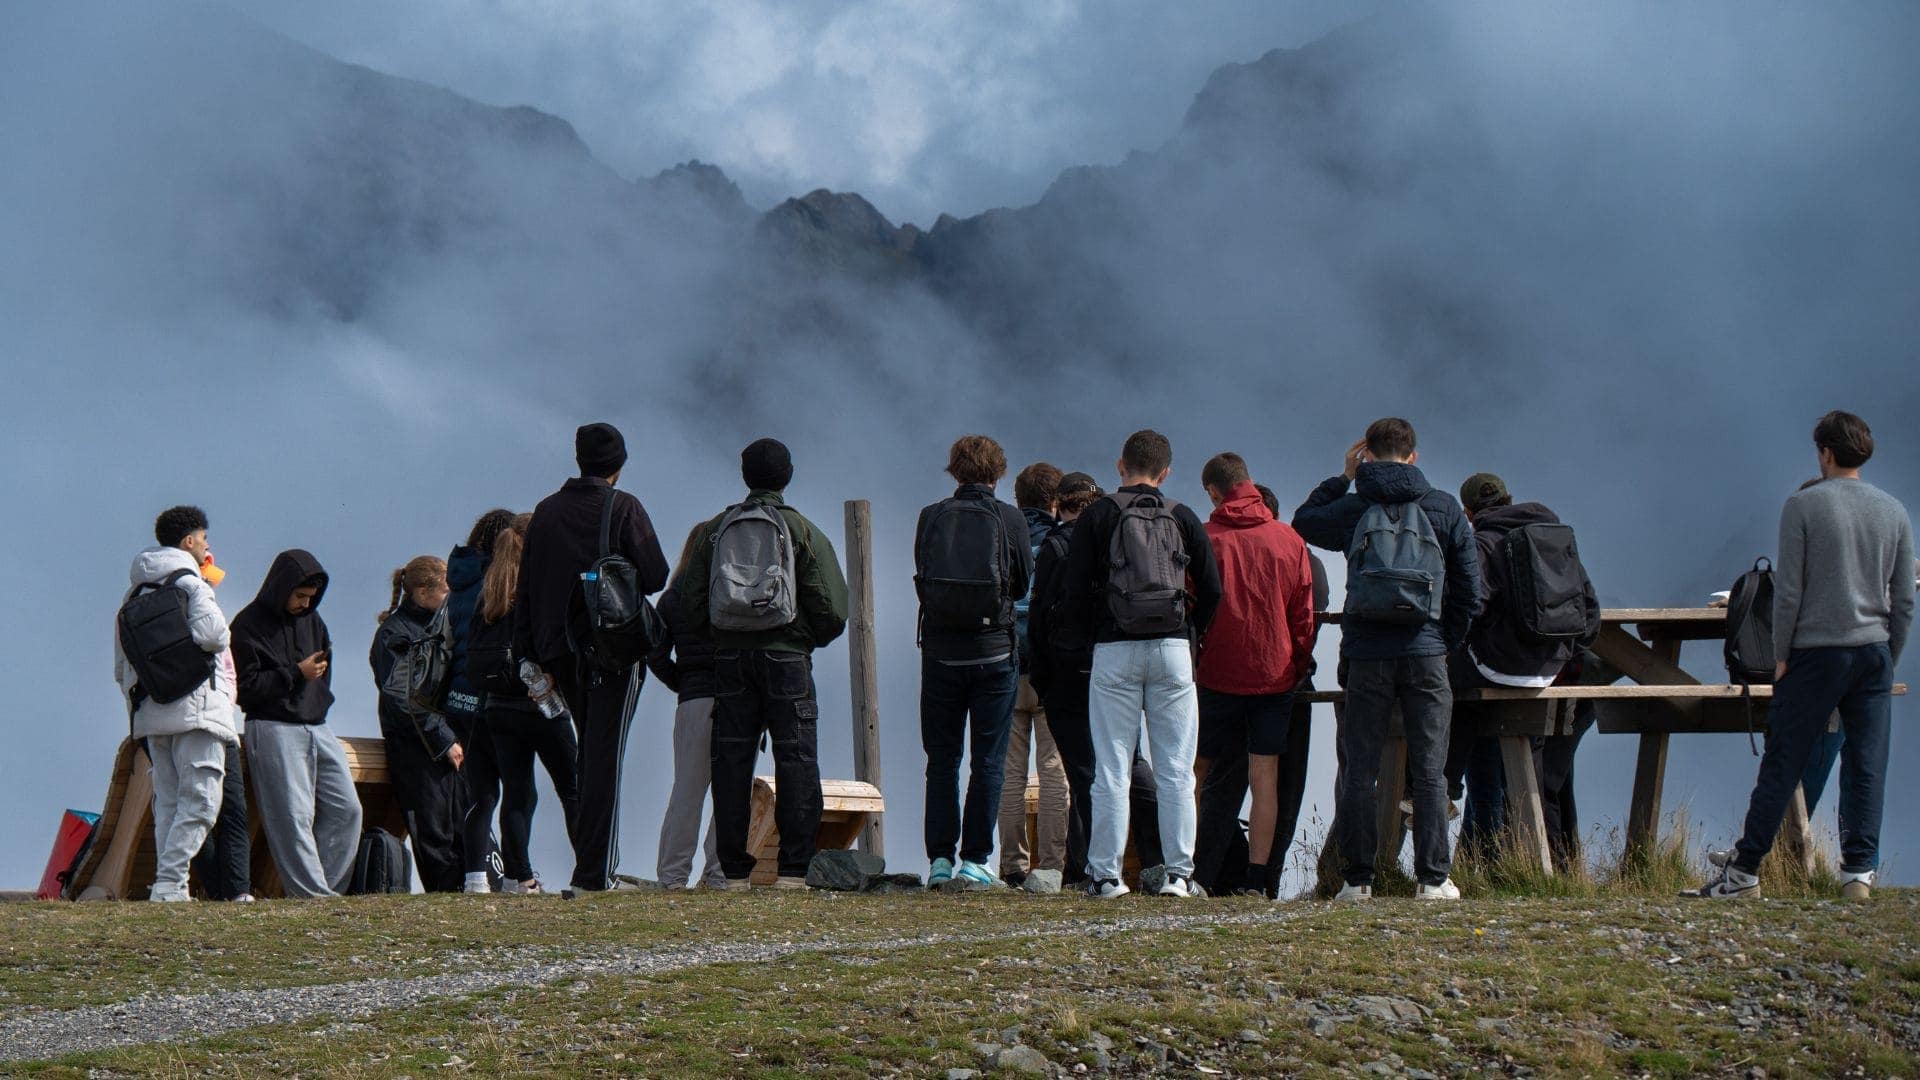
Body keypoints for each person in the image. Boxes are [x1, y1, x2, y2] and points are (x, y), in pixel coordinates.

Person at [1694, 411, 1913, 901]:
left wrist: (1781, 656)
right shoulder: (1894, 511)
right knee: (1867, 761)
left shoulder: (1803, 505)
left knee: (1783, 759)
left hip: (1816, 652)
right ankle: (1858, 872)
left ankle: (1745, 871)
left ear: (1826, 453)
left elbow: (1789, 591)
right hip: (1874, 651)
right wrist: (1888, 653)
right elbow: (1904, 599)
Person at [1292, 418, 1479, 902]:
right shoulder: (1442, 509)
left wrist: (1343, 476)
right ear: (1414, 456)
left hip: (1367, 654)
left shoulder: (1355, 506)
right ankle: (1433, 880)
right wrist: (1441, 639)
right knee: (1431, 770)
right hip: (1426, 653)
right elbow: (1469, 589)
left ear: (1368, 455)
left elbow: (1304, 522)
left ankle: (1357, 880)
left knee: (1360, 769)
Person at [681, 438, 849, 890]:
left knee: (731, 761)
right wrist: (803, 638)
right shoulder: (802, 530)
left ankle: (734, 872)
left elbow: (689, 601)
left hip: (731, 658)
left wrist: (721, 635)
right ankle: (794, 870)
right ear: (787, 476)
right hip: (788, 658)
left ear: (744, 474)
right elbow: (833, 607)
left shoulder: (716, 529)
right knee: (796, 757)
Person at [1062, 429, 1221, 899]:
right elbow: (1212, 590)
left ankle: (1107, 876)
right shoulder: (1183, 515)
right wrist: (1191, 634)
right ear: (1165, 471)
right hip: (1173, 649)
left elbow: (1074, 590)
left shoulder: (1099, 515)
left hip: (1114, 649)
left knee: (1111, 767)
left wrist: (1091, 636)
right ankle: (1178, 875)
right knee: (1175, 768)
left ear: (1119, 466)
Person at [515, 422, 669, 894]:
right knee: (605, 759)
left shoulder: (544, 511)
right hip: (612, 652)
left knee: (589, 757)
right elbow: (656, 574)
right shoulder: (623, 508)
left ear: (578, 458)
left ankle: (591, 868)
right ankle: (595, 877)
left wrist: (527, 655)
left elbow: (527, 587)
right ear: (618, 465)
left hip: (557, 650)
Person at [1443, 472, 1600, 860]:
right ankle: (1513, 857)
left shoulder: (1480, 543)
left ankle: (1441, 788)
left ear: (1467, 512)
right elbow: (1590, 613)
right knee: (1499, 739)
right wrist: (1560, 653)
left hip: (1499, 669)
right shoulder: (1555, 540)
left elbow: (1470, 607)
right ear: (1510, 498)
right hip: (1552, 671)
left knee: (1447, 686)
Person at [912, 435, 1034, 889]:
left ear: (954, 471)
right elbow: (1021, 584)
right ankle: (976, 860)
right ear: (998, 472)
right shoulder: (1010, 519)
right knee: (989, 760)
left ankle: (939, 860)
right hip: (994, 653)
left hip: (941, 654)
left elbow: (922, 578)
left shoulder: (931, 516)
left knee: (941, 759)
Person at [1190, 455, 1314, 899]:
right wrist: (1295, 665)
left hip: (1217, 673)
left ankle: (1188, 871)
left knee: (1198, 771)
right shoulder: (1288, 540)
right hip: (1274, 675)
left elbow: (1192, 608)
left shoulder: (1206, 540)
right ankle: (1258, 881)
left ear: (1212, 491)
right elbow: (1303, 617)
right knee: (1266, 776)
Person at [114, 506, 238, 902]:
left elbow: (121, 667)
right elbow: (215, 635)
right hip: (197, 707)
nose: (207, 546)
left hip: (152, 712)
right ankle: (169, 883)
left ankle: (172, 888)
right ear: (189, 542)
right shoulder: (191, 582)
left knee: (168, 801)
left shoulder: (133, 593)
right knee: (202, 800)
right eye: (204, 539)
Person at [232, 549, 363, 898]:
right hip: (273, 727)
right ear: (281, 587)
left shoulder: (313, 620)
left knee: (347, 809)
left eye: (312, 597)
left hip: (318, 725)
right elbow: (243, 689)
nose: (306, 604)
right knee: (292, 817)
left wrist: (316, 693)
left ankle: (324, 891)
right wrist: (295, 674)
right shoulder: (246, 625)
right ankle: (312, 896)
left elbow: (324, 664)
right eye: (300, 596)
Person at [469, 514, 579, 894]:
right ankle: (589, 872)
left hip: (497, 707)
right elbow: (556, 640)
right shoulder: (540, 588)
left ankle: (521, 878)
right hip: (541, 703)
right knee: (573, 786)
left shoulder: (490, 592)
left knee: (518, 794)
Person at [371, 556, 465, 893]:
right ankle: (447, 897)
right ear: (422, 592)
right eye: (445, 590)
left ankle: (467, 894)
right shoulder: (394, 635)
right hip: (417, 747)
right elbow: (403, 696)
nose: (450, 597)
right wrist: (443, 739)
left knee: (460, 825)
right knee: (433, 829)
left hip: (446, 741)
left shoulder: (442, 626)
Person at [1028, 471, 1104, 886]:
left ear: (1059, 504)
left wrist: (1043, 676)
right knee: (1100, 768)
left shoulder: (1053, 547)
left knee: (1073, 770)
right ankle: (1095, 860)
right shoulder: (1109, 542)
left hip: (1056, 671)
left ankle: (1070, 864)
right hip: (1107, 667)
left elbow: (1038, 617)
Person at [997, 462, 1068, 888]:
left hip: (1007, 665)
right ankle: (1053, 865)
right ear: (1056, 501)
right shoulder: (1062, 541)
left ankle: (1011, 865)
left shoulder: (1002, 536)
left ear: (1018, 499)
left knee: (1009, 772)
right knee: (1054, 767)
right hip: (1051, 669)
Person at [646, 524, 727, 890]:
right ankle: (718, 873)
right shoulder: (729, 590)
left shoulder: (673, 595)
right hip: (735, 697)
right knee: (731, 792)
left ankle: (672, 875)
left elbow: (655, 652)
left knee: (687, 792)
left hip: (694, 698)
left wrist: (680, 680)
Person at [445, 509, 515, 893]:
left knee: (479, 791)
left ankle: (476, 875)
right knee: (507, 789)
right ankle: (511, 874)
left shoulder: (458, 581)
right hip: (488, 693)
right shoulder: (496, 578)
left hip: (458, 698)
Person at [189, 547, 253, 902]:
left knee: (232, 807)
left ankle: (237, 890)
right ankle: (219, 890)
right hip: (196, 720)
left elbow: (227, 668)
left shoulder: (211, 610)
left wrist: (226, 702)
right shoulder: (186, 610)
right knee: (202, 808)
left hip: (220, 719)